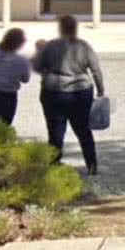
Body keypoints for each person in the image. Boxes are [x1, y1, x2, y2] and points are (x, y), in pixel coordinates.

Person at [32, 14, 105, 175]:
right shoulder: (84, 46)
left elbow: (36, 65)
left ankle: (54, 164)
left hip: (53, 91)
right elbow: (96, 70)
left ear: (60, 29)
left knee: (55, 130)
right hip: (80, 91)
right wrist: (101, 89)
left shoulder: (51, 46)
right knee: (83, 130)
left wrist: (47, 72)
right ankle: (92, 165)